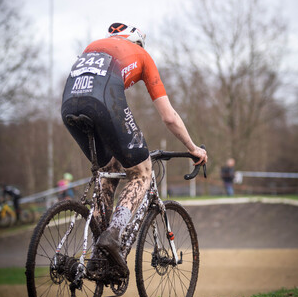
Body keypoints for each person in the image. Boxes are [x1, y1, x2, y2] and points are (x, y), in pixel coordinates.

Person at [61, 22, 207, 275]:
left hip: (69, 106)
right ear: (137, 41)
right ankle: (114, 233)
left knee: (108, 171)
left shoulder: (92, 48)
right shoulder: (142, 55)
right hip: (102, 101)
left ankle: (98, 257)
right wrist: (193, 148)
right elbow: (169, 117)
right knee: (141, 172)